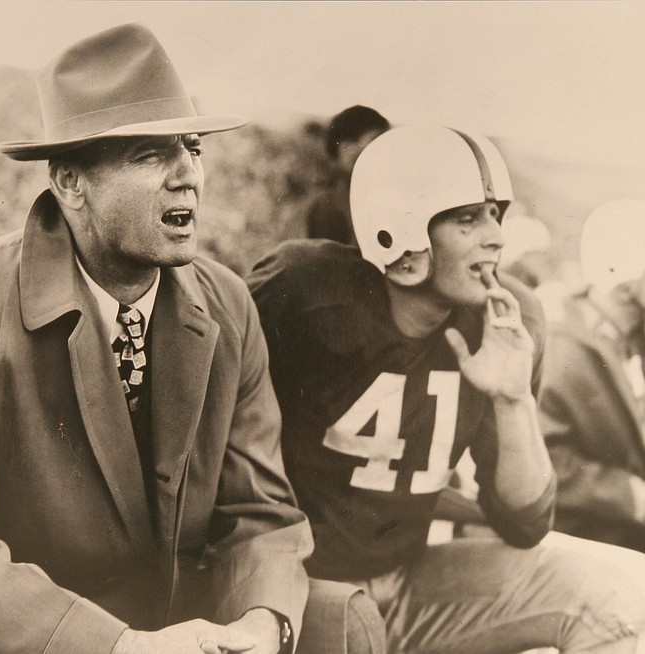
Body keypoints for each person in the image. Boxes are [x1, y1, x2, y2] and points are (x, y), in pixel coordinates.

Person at [0, 24, 314, 654]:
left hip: (159, 626)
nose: (189, 176)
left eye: (194, 146)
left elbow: (262, 516)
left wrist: (261, 624)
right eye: (150, 154)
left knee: (338, 621)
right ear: (70, 183)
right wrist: (116, 646)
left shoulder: (227, 306)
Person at [248, 125, 645, 653]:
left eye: (495, 214)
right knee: (354, 629)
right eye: (468, 218)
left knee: (621, 596)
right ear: (399, 232)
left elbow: (524, 524)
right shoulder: (302, 293)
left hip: (408, 579)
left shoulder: (508, 318)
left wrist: (511, 400)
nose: (497, 237)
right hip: (293, 590)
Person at [538, 198, 645, 553]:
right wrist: (629, 495)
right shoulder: (561, 345)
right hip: (590, 547)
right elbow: (543, 460)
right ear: (627, 283)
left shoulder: (631, 336)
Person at [300, 105, 389, 245]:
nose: (383, 150)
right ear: (347, 146)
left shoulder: (387, 196)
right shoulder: (327, 207)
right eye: (374, 140)